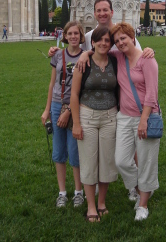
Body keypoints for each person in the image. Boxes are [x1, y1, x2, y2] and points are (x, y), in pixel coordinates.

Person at [109, 23, 160, 221]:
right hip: (124, 117)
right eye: (117, 40)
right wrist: (86, 54)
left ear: (132, 37)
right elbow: (98, 49)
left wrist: (144, 120)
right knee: (121, 160)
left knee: (146, 160)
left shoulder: (147, 60)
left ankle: (143, 204)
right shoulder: (119, 57)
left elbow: (152, 94)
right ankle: (142, 187)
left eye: (123, 38)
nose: (120, 43)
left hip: (145, 115)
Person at [70, 26, 119, 222]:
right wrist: (76, 123)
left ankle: (101, 202)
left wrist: (150, 50)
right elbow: (74, 95)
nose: (103, 43)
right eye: (100, 40)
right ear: (93, 43)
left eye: (107, 40)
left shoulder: (115, 61)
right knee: (89, 162)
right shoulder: (83, 63)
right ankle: (91, 205)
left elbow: (133, 53)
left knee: (107, 162)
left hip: (110, 117)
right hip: (87, 116)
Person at [41, 21, 85, 208]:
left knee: (75, 152)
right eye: (70, 33)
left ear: (81, 36)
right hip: (57, 105)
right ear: (64, 36)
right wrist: (47, 109)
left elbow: (85, 90)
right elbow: (52, 84)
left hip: (76, 108)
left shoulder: (86, 57)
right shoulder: (58, 56)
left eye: (76, 33)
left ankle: (78, 192)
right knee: (58, 152)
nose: (73, 36)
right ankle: (62, 192)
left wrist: (69, 111)